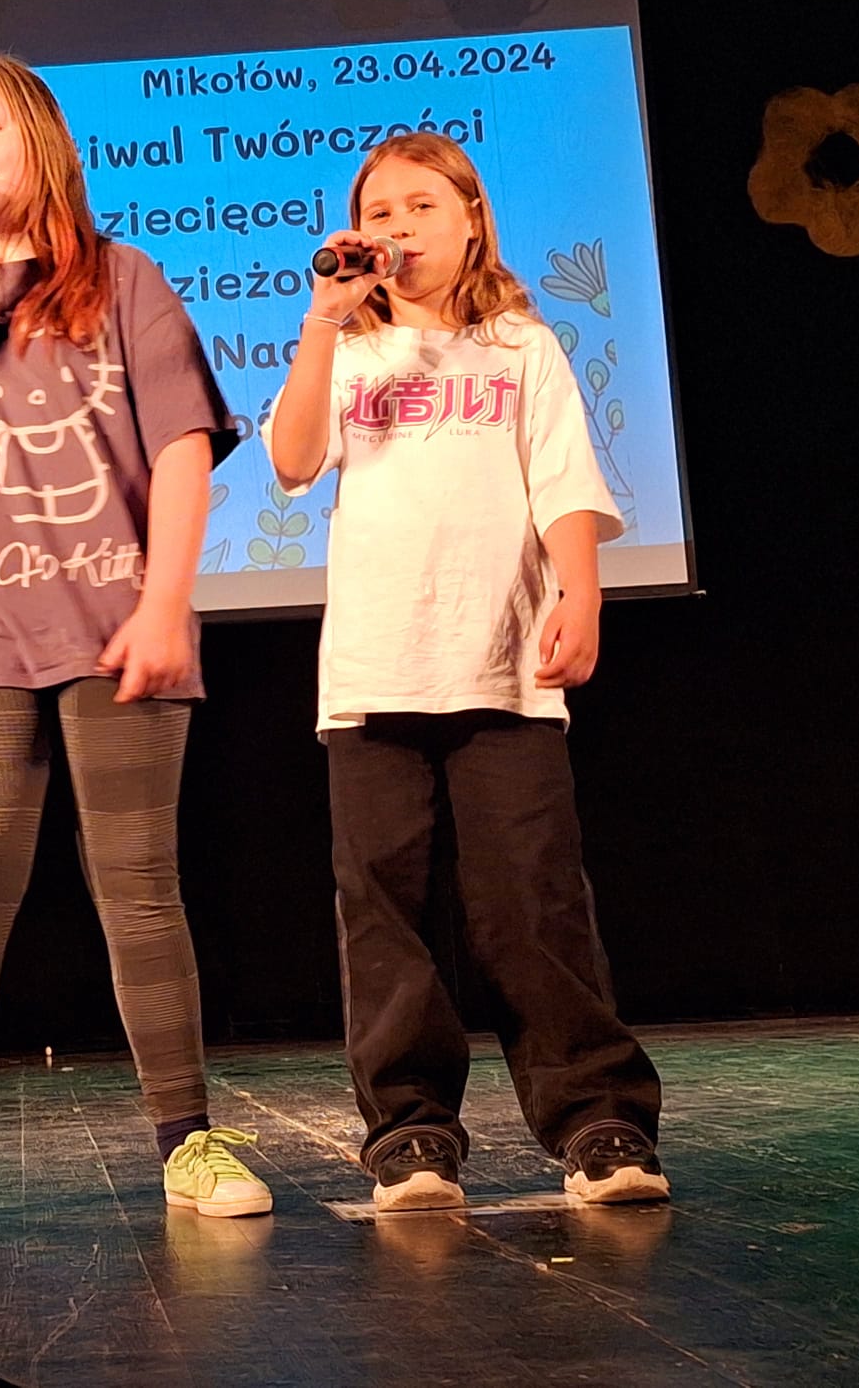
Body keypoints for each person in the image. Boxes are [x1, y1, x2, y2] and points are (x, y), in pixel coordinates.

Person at [0, 52, 267, 1242]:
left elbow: (182, 448)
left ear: (40, 138)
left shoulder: (126, 280)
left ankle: (188, 1140)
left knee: (137, 885)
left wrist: (167, 604)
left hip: (116, 622)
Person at [262, 131, 668, 1210]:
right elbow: (293, 459)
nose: (398, 227)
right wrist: (323, 319)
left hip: (503, 664)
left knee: (532, 904)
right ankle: (411, 1131)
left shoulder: (520, 344)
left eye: (421, 206)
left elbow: (564, 482)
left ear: (472, 217)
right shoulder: (351, 350)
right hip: (374, 674)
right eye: (378, 212)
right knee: (384, 914)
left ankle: (599, 1119)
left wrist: (581, 595)